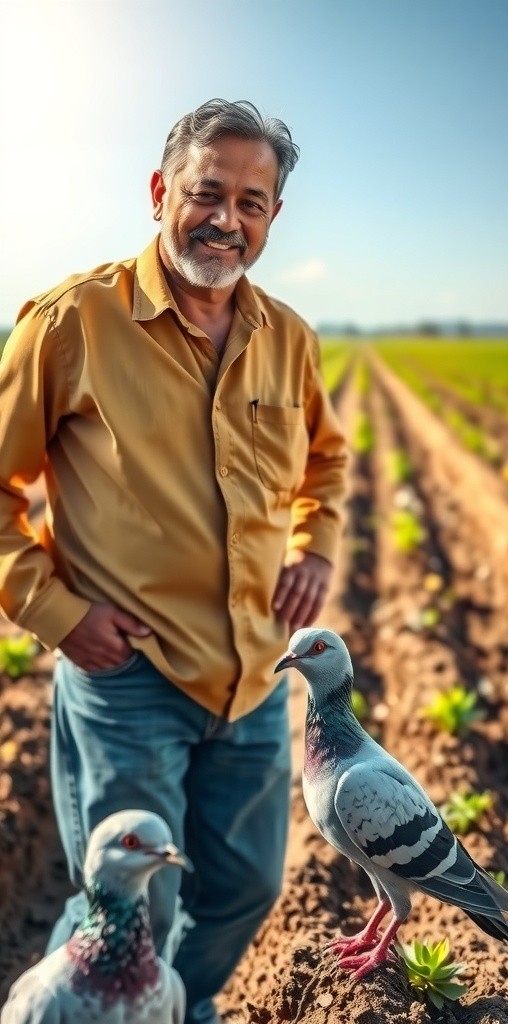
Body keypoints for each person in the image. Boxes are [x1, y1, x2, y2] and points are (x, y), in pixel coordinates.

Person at [0, 99, 348, 1022]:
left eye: (251, 203)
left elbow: (326, 461)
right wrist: (58, 613)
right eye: (207, 193)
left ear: (272, 217)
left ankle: (168, 1008)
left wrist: (314, 545)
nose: (226, 220)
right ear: (161, 192)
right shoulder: (72, 324)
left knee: (244, 888)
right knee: (128, 901)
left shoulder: (289, 339)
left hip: (254, 675)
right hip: (129, 679)